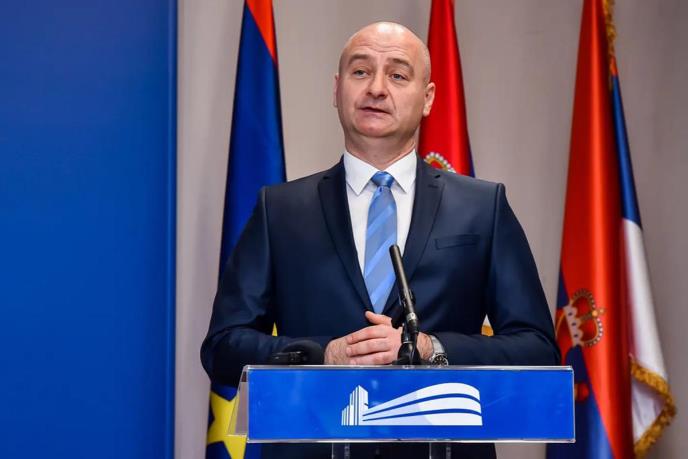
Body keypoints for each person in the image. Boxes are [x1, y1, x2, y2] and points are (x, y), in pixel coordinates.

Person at [201, 22, 559, 459]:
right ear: (337, 90)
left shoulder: (483, 208)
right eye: (360, 71)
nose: (376, 88)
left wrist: (429, 347)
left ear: (427, 98)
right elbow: (222, 348)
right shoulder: (280, 210)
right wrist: (324, 356)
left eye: (398, 75)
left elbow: (537, 349)